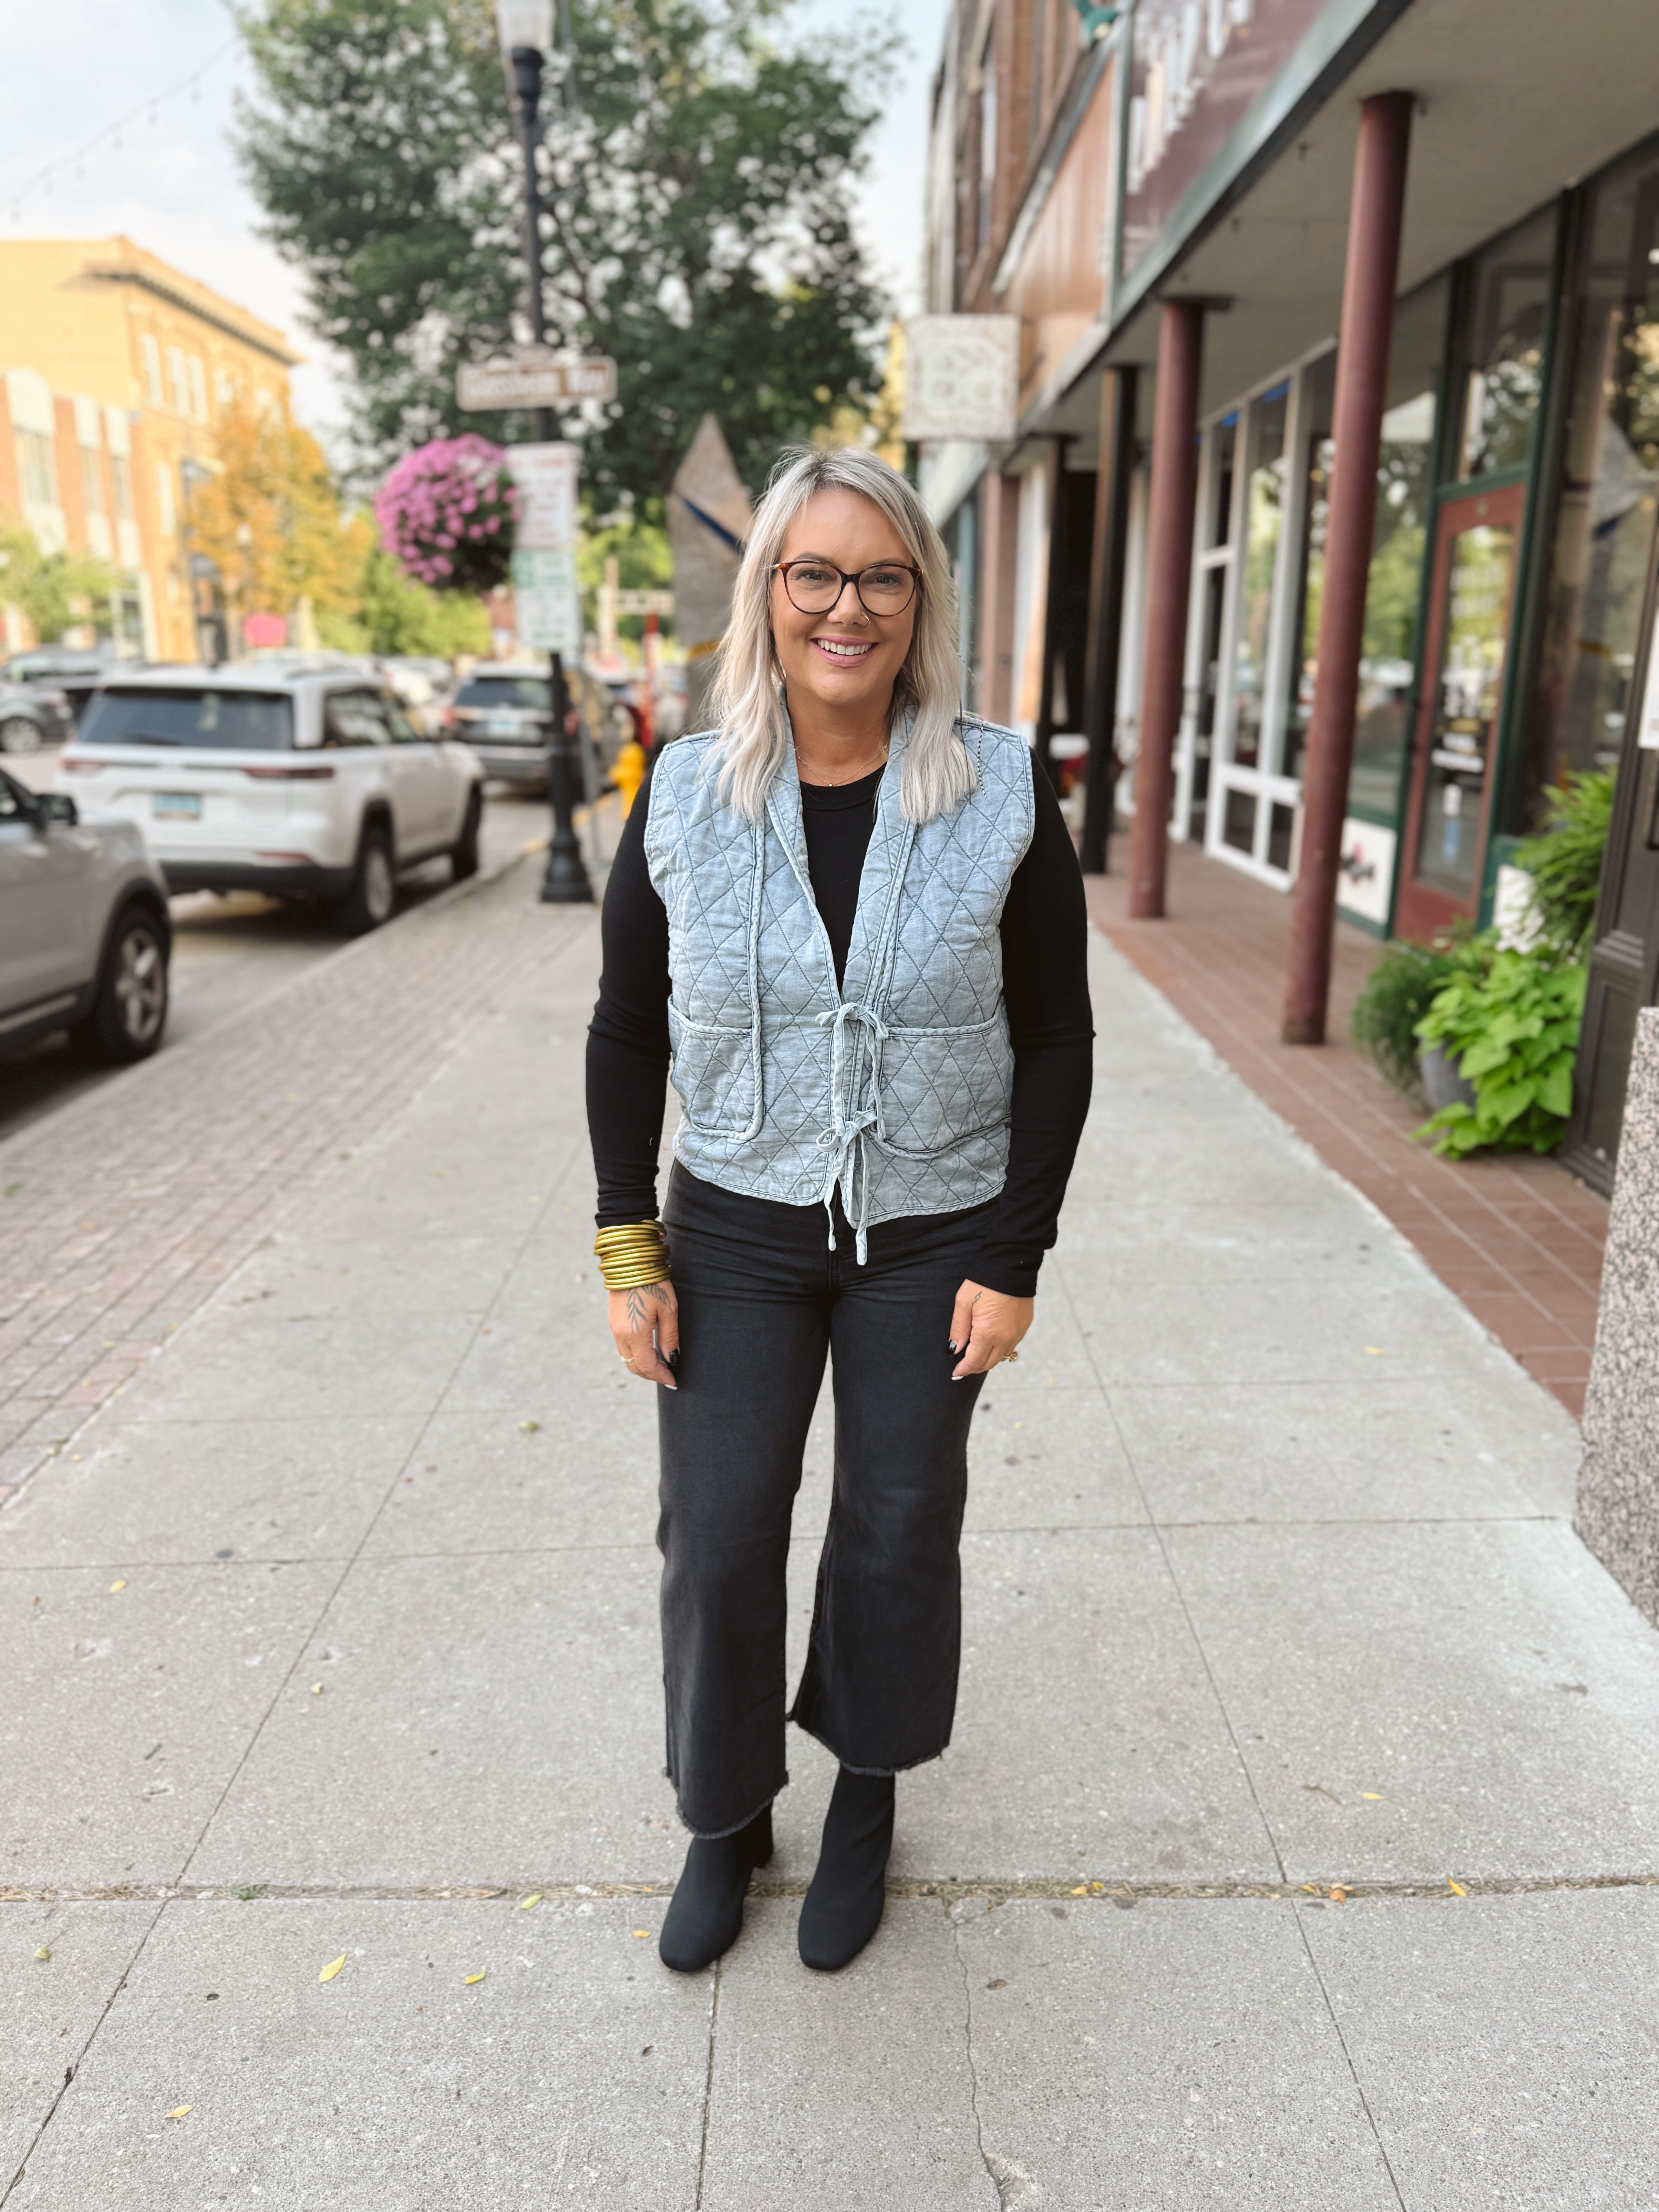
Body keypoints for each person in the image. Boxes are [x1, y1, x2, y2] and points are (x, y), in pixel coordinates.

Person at [586, 444, 1092, 1975]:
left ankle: (868, 1795)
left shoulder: (999, 788)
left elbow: (1057, 1032)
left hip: (932, 1232)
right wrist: (630, 1248)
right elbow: (628, 1028)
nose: (846, 606)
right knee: (721, 1536)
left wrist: (1014, 1257)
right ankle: (724, 1814)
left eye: (880, 575)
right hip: (733, 1227)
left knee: (898, 1525)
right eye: (815, 573)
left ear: (918, 600)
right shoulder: (684, 790)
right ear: (770, 596)